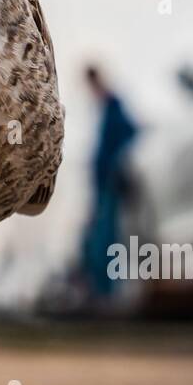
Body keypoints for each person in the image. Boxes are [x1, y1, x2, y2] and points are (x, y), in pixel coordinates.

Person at [82, 65, 138, 298]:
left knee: (106, 240)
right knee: (100, 238)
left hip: (111, 185)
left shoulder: (114, 108)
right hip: (104, 185)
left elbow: (129, 137)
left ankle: (107, 293)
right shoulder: (107, 109)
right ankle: (102, 291)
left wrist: (117, 169)